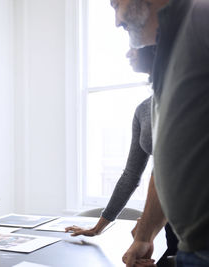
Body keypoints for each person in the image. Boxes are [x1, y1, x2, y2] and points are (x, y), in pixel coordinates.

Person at [110, 0, 209, 266]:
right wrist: (144, 236)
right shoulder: (169, 49)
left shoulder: (201, 18)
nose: (117, 21)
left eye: (115, 4)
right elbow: (167, 163)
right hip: (192, 249)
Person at [65, 45, 178, 266]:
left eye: (134, 48)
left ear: (156, 48)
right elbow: (132, 174)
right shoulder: (143, 110)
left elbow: (174, 170)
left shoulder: (187, 94)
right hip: (174, 224)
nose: (128, 54)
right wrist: (98, 228)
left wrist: (146, 229)